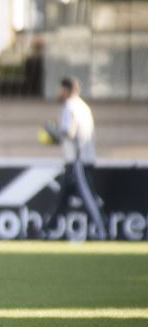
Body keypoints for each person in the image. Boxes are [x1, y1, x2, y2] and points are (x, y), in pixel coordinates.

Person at [41, 77, 106, 240]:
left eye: (60, 89)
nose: (58, 93)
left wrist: (51, 132)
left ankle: (103, 229)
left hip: (78, 160)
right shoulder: (83, 107)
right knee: (63, 197)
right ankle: (48, 230)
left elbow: (68, 132)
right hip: (83, 157)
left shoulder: (69, 107)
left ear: (67, 90)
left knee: (88, 197)